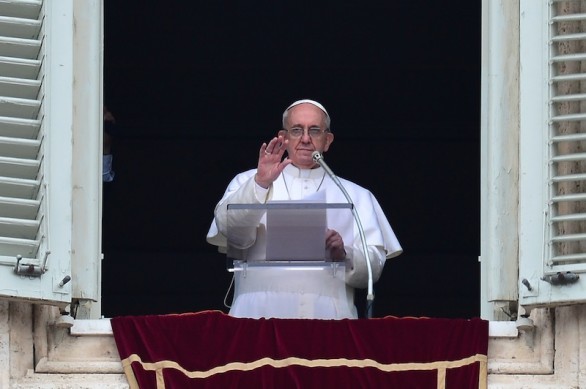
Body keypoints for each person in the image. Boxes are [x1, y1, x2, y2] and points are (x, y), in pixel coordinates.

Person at [206, 99, 402, 319]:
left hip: (330, 319)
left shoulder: (355, 195)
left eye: (315, 130)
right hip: (256, 316)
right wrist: (260, 184)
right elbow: (229, 230)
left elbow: (373, 268)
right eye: (297, 130)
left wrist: (344, 254)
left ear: (327, 141)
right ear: (284, 137)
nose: (306, 138)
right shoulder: (247, 181)